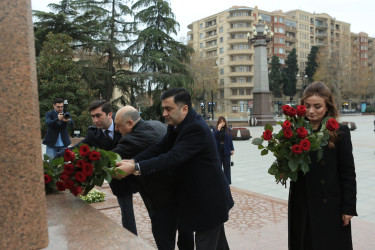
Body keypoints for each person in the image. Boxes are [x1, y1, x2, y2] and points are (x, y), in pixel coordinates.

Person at [116, 88, 234, 249]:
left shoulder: (196, 128)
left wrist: (135, 168)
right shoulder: (177, 124)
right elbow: (161, 146)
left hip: (209, 201)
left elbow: (173, 157)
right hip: (200, 199)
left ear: (184, 108)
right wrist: (134, 160)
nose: (164, 113)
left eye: (168, 109)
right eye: (164, 108)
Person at [112, 106, 194, 250]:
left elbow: (108, 159)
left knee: (164, 239)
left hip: (160, 197)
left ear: (130, 123)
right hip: (181, 191)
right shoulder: (157, 124)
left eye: (118, 126)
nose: (117, 130)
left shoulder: (131, 140)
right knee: (185, 235)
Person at [288, 81, 357, 250]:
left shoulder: (339, 132)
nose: (311, 111)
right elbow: (290, 165)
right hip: (302, 201)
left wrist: (348, 208)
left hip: (330, 204)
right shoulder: (295, 131)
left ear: (327, 106)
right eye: (307, 106)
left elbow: (348, 172)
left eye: (317, 106)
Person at [58, 100, 139, 235]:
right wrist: (58, 156)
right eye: (92, 116)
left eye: (98, 116)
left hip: (139, 172)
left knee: (155, 211)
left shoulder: (125, 126)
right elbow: (77, 147)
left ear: (109, 114)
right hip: (119, 180)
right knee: (127, 213)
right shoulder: (93, 134)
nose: (95, 120)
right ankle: (132, 241)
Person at [213, 116, 234, 184]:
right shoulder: (215, 129)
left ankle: (227, 181)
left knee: (227, 167)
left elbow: (230, 140)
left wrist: (232, 149)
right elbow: (213, 138)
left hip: (226, 150)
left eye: (223, 122)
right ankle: (218, 181)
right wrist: (218, 129)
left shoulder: (228, 129)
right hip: (218, 150)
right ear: (218, 122)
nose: (222, 123)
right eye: (221, 122)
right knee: (218, 166)